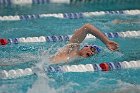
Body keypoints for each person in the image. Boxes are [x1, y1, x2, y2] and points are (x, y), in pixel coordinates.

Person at [50, 23, 119, 63]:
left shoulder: (77, 62)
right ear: (85, 46)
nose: (92, 53)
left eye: (93, 53)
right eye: (92, 49)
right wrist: (107, 42)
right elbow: (87, 27)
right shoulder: (72, 49)